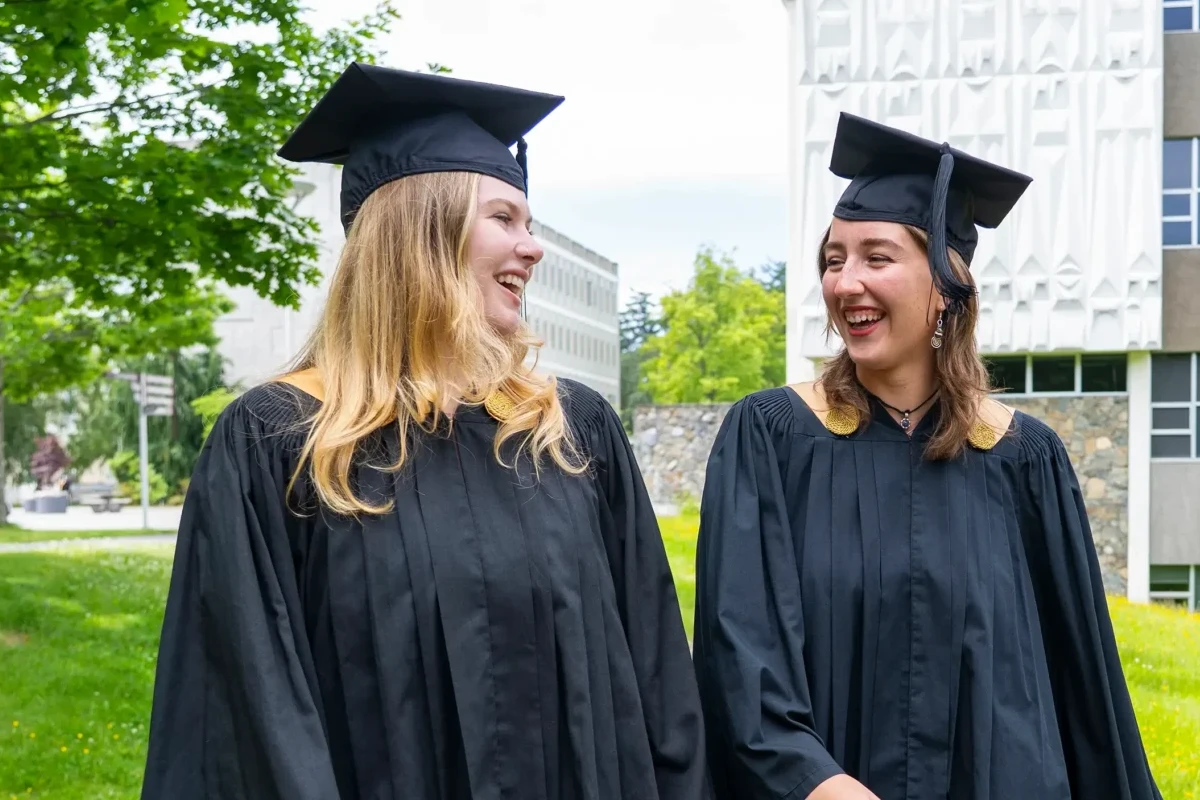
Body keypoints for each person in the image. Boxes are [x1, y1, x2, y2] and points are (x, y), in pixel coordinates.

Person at [141, 63, 708, 800]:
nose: (533, 248)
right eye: (504, 218)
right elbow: (246, 719)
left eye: (530, 223)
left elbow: (658, 679)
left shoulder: (570, 433)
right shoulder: (280, 442)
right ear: (419, 232)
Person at [691, 112, 1161, 800]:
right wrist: (820, 785)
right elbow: (739, 657)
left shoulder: (1023, 458)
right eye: (833, 260)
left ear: (946, 284)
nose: (845, 282)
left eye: (877, 258)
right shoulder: (773, 437)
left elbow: (1086, 690)